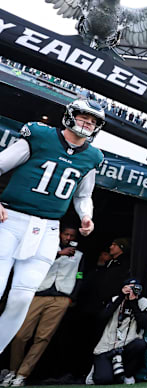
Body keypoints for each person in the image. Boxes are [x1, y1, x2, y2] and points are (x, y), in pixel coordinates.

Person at [0, 99, 104, 353]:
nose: (87, 124)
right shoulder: (40, 135)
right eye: (84, 118)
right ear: (70, 116)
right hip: (10, 219)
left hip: (48, 228)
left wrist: (85, 216)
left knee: (23, 297)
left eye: (93, 122)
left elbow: (82, 195)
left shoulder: (92, 156)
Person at [3, 226, 84, 387]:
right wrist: (58, 254)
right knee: (20, 335)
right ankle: (12, 370)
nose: (68, 237)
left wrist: (71, 297)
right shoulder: (46, 250)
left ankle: (22, 374)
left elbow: (80, 276)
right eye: (66, 234)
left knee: (43, 337)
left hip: (60, 298)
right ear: (60, 234)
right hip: (39, 294)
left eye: (71, 235)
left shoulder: (79, 256)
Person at [87, 279, 147, 385]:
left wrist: (133, 302)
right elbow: (102, 317)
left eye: (134, 288)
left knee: (140, 345)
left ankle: (128, 375)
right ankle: (99, 370)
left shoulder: (143, 302)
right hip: (106, 347)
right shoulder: (115, 299)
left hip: (127, 345)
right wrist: (121, 297)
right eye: (129, 287)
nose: (131, 290)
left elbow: (144, 323)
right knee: (103, 380)